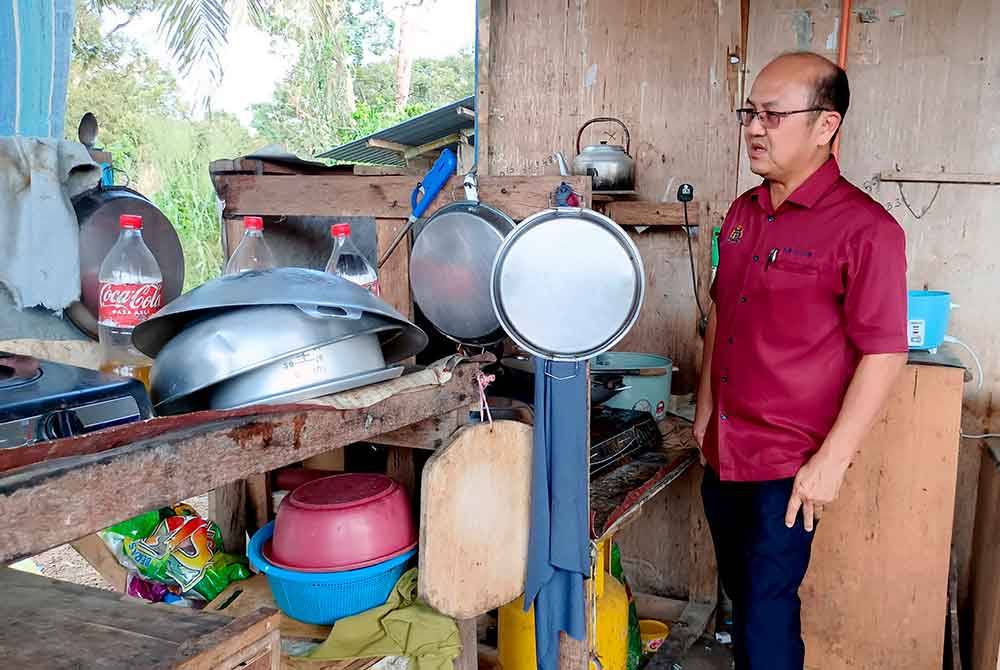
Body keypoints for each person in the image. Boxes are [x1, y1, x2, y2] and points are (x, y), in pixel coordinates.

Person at [692, 51, 909, 669]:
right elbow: (719, 319)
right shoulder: (741, 214)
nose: (755, 129)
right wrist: (706, 411)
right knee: (744, 601)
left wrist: (832, 462)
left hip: (788, 469)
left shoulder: (866, 231)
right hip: (723, 455)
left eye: (773, 115)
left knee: (765, 617)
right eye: (750, 113)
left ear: (825, 125)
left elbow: (884, 350)